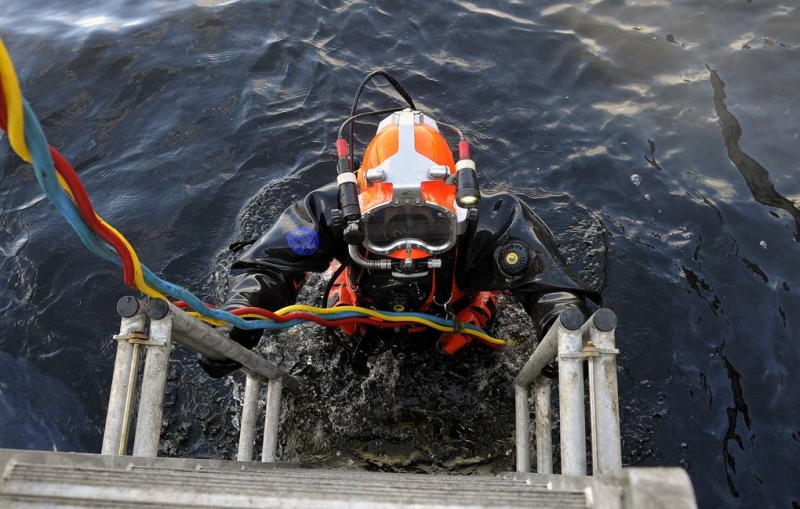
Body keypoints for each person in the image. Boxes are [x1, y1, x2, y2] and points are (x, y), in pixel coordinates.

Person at [199, 75, 599, 377]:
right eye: (389, 227)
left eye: (428, 226)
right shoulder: (332, 210)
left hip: (457, 331)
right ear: (359, 208)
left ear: (456, 210)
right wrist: (240, 316)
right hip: (357, 323)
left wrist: (561, 325)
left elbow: (550, 286)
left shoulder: (489, 222)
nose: (408, 250)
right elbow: (270, 265)